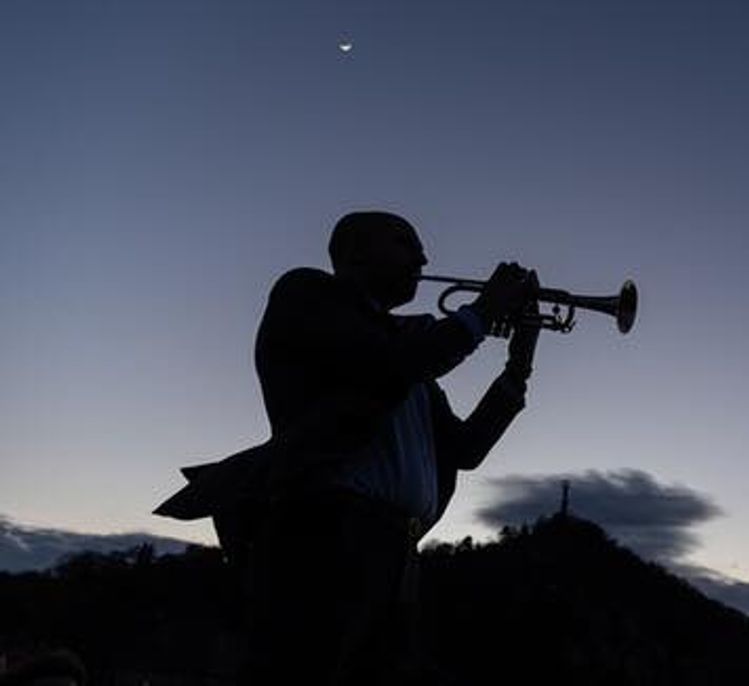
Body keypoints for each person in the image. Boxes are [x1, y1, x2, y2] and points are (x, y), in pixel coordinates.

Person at [155, 211, 540, 685]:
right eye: (404, 243)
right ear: (355, 252)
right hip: (327, 531)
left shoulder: (409, 356)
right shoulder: (306, 293)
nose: (422, 257)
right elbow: (389, 366)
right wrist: (481, 312)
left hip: (397, 549)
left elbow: (465, 450)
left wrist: (518, 367)